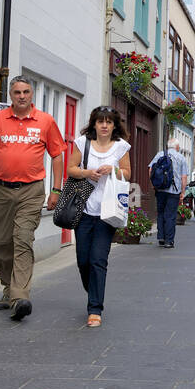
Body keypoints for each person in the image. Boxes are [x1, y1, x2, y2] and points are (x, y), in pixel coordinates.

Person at [0, 76, 65, 321]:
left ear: (32, 95)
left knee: (22, 239)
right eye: (17, 92)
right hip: (1, 190)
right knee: (2, 243)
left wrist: (56, 190)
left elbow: (57, 155)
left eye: (26, 92)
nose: (22, 96)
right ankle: (8, 288)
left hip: (31, 190)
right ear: (11, 95)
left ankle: (20, 297)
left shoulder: (45, 121)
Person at [66, 106, 132, 327]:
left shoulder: (121, 147)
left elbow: (128, 173)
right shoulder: (82, 143)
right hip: (84, 210)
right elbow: (71, 169)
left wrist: (111, 170)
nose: (104, 125)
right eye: (100, 121)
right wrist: (87, 173)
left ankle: (95, 309)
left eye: (109, 122)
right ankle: (93, 289)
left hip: (108, 211)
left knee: (98, 260)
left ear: (114, 126)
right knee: (83, 260)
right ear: (94, 123)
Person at [149, 138, 188, 249]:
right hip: (173, 191)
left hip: (160, 189)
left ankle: (161, 237)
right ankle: (169, 241)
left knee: (160, 213)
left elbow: (151, 170)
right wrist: (183, 192)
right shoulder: (181, 158)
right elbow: (183, 177)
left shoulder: (159, 155)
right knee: (170, 215)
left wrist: (154, 185)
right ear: (176, 147)